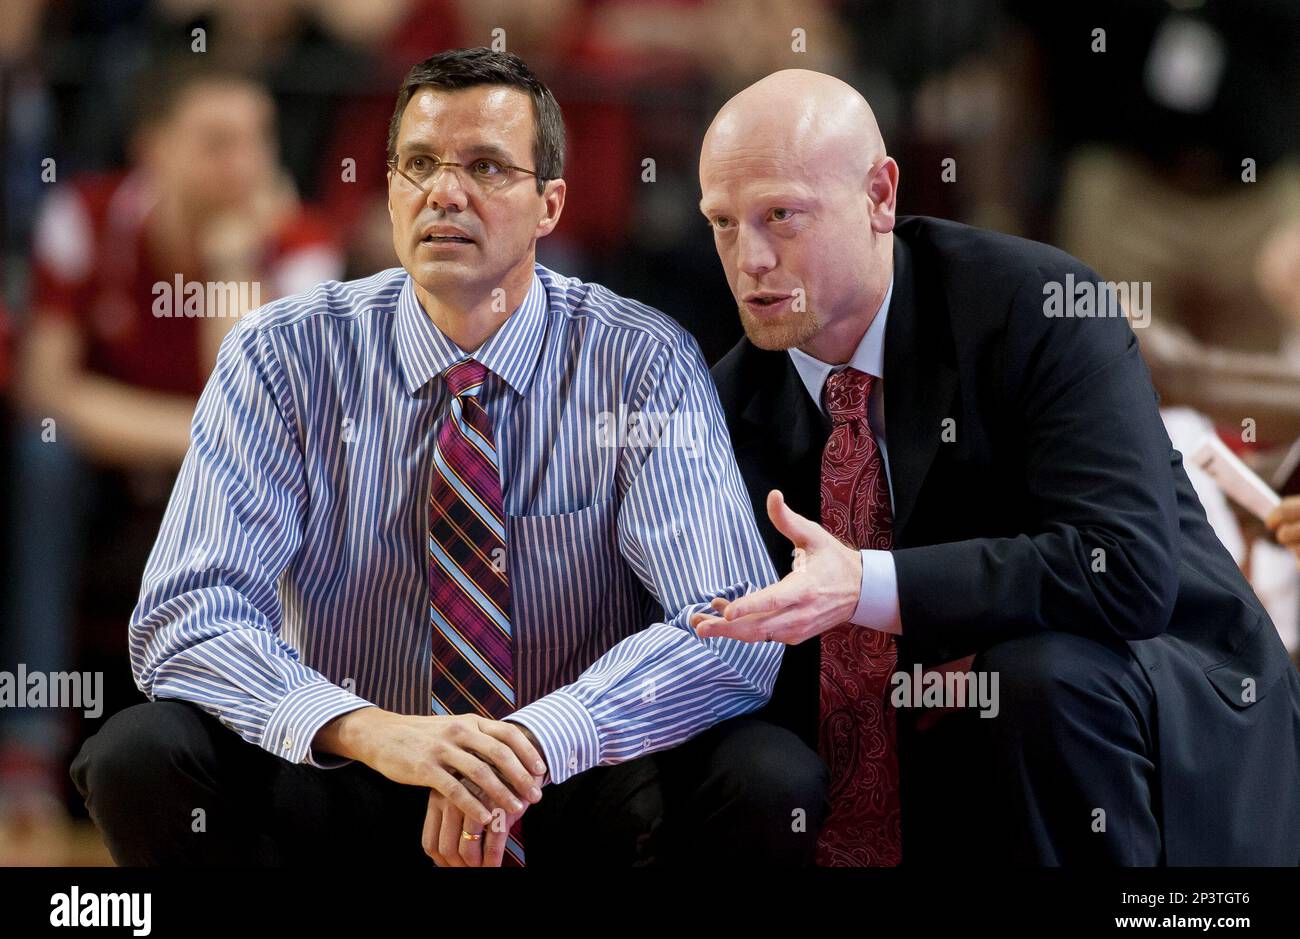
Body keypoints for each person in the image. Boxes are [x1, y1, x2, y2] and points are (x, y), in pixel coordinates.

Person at [71, 48, 827, 867]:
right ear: (391, 186)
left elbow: (734, 628)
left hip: (575, 779)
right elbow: (186, 616)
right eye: (419, 163)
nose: (445, 192)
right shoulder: (281, 356)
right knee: (139, 754)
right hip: (360, 770)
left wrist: (535, 741)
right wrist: (367, 731)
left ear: (549, 205)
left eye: (487, 167)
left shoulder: (638, 361)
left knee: (768, 776)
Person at [696, 69, 1300, 865]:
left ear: (880, 196)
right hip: (934, 729)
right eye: (724, 223)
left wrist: (871, 586)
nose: (752, 259)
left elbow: (1125, 571)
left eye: (782, 215)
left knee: (1036, 680)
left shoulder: (1037, 304)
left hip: (1154, 686)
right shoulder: (724, 400)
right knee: (752, 764)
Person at [1, 62, 340, 831]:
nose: (245, 165)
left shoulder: (299, 241)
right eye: (217, 143)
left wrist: (229, 264)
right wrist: (197, 434)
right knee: (39, 455)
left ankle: (257, 742)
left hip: (237, 485)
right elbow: (46, 389)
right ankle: (26, 740)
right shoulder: (83, 214)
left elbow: (260, 420)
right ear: (153, 147)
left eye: (257, 141)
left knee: (303, 475)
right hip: (105, 473)